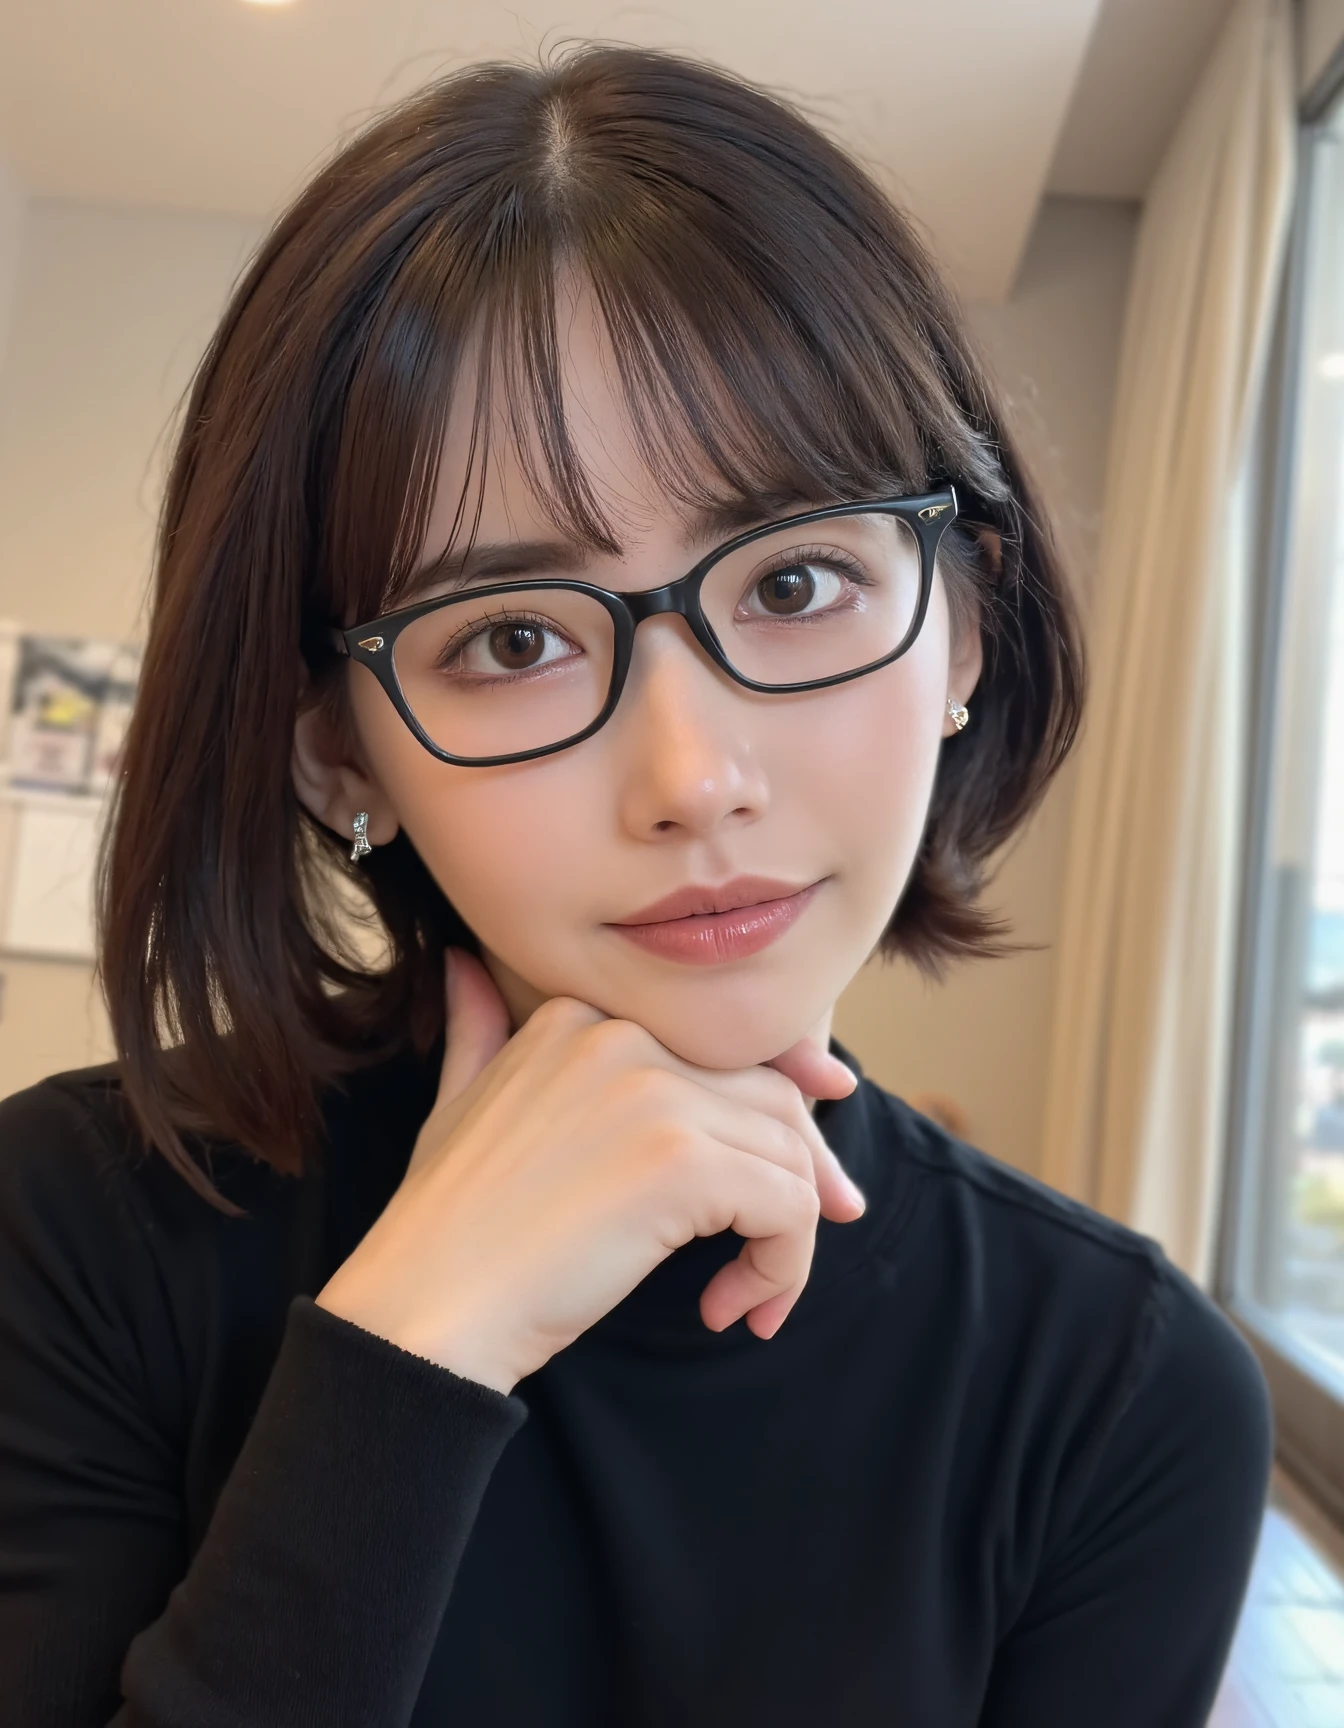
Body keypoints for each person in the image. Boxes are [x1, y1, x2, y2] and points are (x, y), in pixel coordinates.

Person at [0, 43, 1273, 1728]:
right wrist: (417, 1346)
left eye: (802, 579)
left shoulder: (1116, 1391)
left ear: (961, 626)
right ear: (339, 752)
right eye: (512, 639)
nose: (693, 778)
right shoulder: (76, 1238)